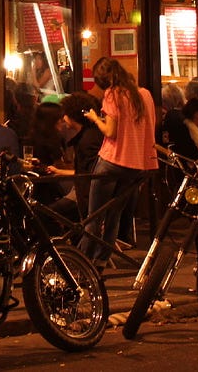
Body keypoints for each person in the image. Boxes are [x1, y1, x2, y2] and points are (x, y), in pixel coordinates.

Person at [78, 57, 156, 266]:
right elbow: (142, 129)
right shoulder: (144, 95)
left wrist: (95, 118)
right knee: (115, 215)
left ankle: (82, 262)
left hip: (112, 161)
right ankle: (101, 262)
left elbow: (111, 132)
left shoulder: (113, 94)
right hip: (136, 165)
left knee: (94, 216)